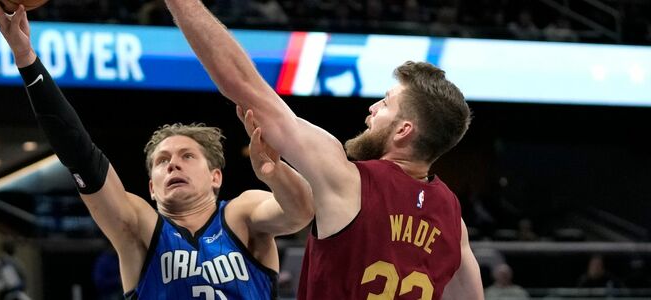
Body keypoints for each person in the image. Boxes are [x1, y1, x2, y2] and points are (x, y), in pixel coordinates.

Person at [0, 1, 314, 299]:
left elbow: (300, 213)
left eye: (187, 156)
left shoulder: (241, 213)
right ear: (151, 187)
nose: (172, 165)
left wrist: (277, 173)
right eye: (162, 161)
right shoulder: (138, 229)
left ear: (216, 176)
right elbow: (80, 155)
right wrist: (26, 60)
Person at [163, 0, 485, 298]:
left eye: (385, 104)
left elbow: (243, 84)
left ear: (403, 130)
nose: (371, 109)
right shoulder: (453, 221)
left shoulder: (350, 180)